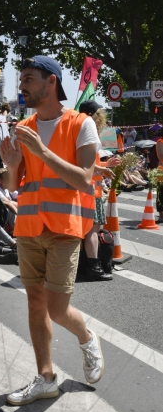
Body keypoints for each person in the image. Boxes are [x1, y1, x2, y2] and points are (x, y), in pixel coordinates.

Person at [0, 55, 104, 406]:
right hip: (28, 225)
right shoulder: (23, 127)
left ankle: (87, 337)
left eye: (29, 79)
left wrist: (41, 151)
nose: (22, 86)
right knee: (35, 303)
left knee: (58, 309)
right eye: (22, 79)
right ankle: (46, 378)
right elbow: (15, 185)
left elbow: (85, 179)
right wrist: (13, 166)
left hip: (63, 227)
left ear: (51, 83)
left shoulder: (81, 123)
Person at [79, 100, 120, 281]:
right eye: (99, 114)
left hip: (85, 190)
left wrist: (105, 165)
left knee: (86, 231)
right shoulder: (88, 133)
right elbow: (86, 165)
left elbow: (88, 165)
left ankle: (86, 265)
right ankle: (93, 267)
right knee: (93, 231)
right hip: (91, 192)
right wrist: (103, 168)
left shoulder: (79, 131)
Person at [0, 167, 18, 231]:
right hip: (0, 218)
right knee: (9, 206)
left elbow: (19, 196)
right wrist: (20, 212)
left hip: (9, 217)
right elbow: (7, 202)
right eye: (8, 179)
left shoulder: (6, 188)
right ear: (0, 180)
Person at [156, 133, 163, 223]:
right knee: (161, 193)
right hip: (162, 171)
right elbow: (161, 156)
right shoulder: (160, 142)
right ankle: (161, 214)